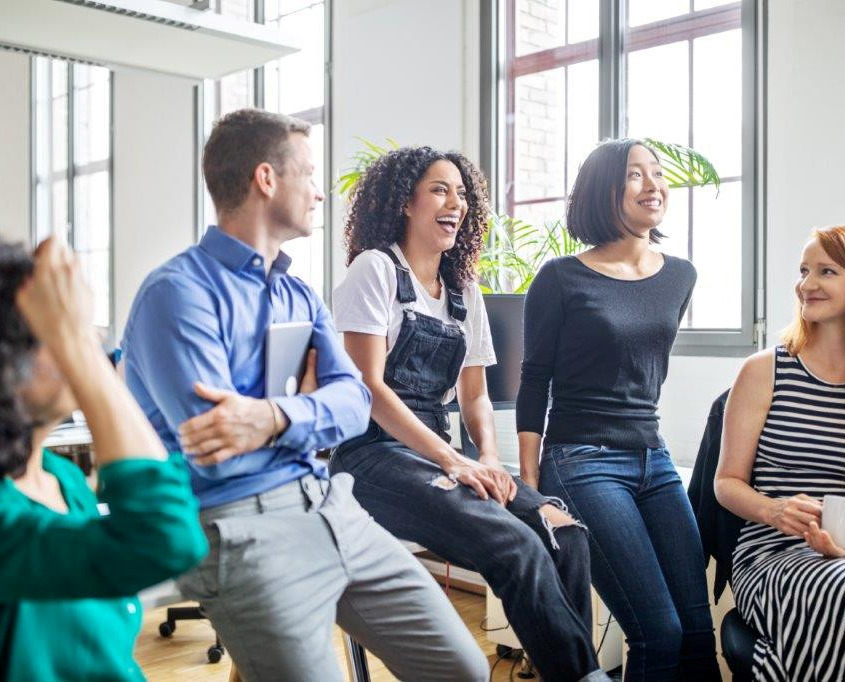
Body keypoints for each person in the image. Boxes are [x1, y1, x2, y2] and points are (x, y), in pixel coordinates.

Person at [121, 110, 488, 681]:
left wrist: (270, 416)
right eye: (309, 175)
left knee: (464, 668)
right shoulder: (178, 293)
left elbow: (354, 403)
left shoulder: (297, 294)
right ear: (267, 179)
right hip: (242, 525)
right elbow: (219, 447)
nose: (320, 193)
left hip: (329, 502)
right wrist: (310, 412)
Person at [331, 145, 609, 682]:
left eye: (461, 193)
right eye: (439, 189)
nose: (454, 202)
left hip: (438, 453)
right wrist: (453, 462)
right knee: (515, 545)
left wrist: (489, 460)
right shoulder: (377, 270)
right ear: (404, 203)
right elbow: (367, 387)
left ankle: (568, 671)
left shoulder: (462, 290)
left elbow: (475, 395)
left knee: (566, 533)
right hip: (371, 457)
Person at [518, 139, 720, 681]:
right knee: (660, 632)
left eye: (657, 173)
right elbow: (535, 381)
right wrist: (531, 489)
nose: (652, 185)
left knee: (699, 635)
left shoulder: (681, 276)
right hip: (581, 460)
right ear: (604, 191)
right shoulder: (560, 278)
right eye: (635, 175)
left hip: (654, 460)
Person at [0, 237, 207, 681]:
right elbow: (166, 536)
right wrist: (78, 346)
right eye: (54, 332)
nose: (89, 338)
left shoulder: (62, 478)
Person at [716, 225, 845, 681]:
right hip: (773, 553)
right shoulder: (766, 370)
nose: (806, 284)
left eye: (826, 271)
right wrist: (775, 511)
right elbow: (726, 483)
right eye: (804, 270)